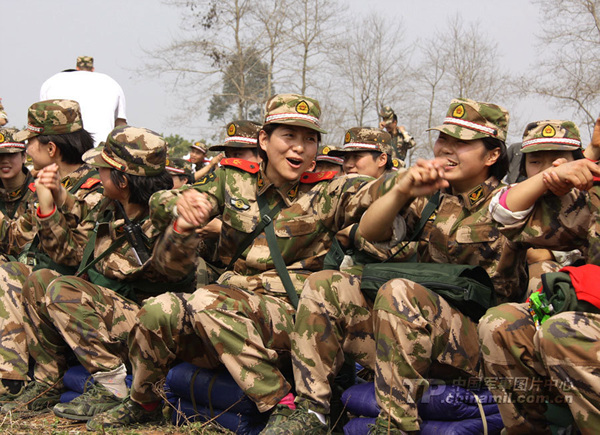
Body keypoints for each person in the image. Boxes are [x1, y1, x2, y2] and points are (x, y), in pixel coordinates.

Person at [86, 93, 405, 431]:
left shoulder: (329, 190)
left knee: (207, 301)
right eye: (289, 136)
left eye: (310, 139)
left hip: (292, 318)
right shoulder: (233, 179)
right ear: (264, 140)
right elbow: (165, 199)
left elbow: (372, 191)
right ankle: (144, 402)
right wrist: (183, 205)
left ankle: (283, 405)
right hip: (229, 308)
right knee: (158, 310)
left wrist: (408, 182)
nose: (299, 148)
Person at [262, 97, 527, 434]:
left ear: (492, 155)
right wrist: (402, 190)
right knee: (325, 283)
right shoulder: (431, 198)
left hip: (476, 343)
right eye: (443, 138)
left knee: (399, 291)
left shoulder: (509, 202)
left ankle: (394, 425)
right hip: (414, 328)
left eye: (461, 142)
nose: (447, 149)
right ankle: (312, 412)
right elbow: (370, 232)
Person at [1, 126, 195, 420]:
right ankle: (48, 381)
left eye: (104, 169)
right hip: (115, 314)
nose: (97, 173)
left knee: (64, 290)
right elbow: (79, 228)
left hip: (149, 326)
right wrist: (56, 198)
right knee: (40, 280)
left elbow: (160, 271)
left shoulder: (160, 220)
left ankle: (111, 385)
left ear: (123, 180)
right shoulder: (111, 205)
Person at [477, 118, 600, 435]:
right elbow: (503, 212)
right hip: (584, 318)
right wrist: (552, 177)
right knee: (499, 323)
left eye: (559, 157)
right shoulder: (583, 198)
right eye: (536, 160)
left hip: (575, 328)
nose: (551, 165)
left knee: (561, 329)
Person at [0, 100, 103, 398]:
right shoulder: (42, 182)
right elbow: (15, 239)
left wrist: (51, 207)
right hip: (41, 278)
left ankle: (11, 382)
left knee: (11, 274)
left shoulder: (93, 188)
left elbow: (73, 257)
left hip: (73, 289)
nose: (27, 149)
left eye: (30, 142)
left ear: (51, 148)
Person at [515, 120, 586, 294]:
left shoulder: (589, 201)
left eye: (557, 160)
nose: (546, 170)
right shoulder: (513, 199)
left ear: (577, 162)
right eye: (535, 162)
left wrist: (555, 254)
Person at [39, 56, 127, 146]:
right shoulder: (110, 83)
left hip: (62, 150)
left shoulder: (52, 82)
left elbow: (42, 121)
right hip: (101, 151)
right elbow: (121, 125)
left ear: (77, 68)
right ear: (92, 69)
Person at [0, 128, 35, 255]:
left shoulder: (40, 192)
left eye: (11, 154)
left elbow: (28, 243)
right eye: (0, 155)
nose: (4, 160)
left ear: (24, 156)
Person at [329, 127, 394, 178]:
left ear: (382, 159)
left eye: (356, 157)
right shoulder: (342, 189)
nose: (347, 165)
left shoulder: (395, 190)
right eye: (346, 158)